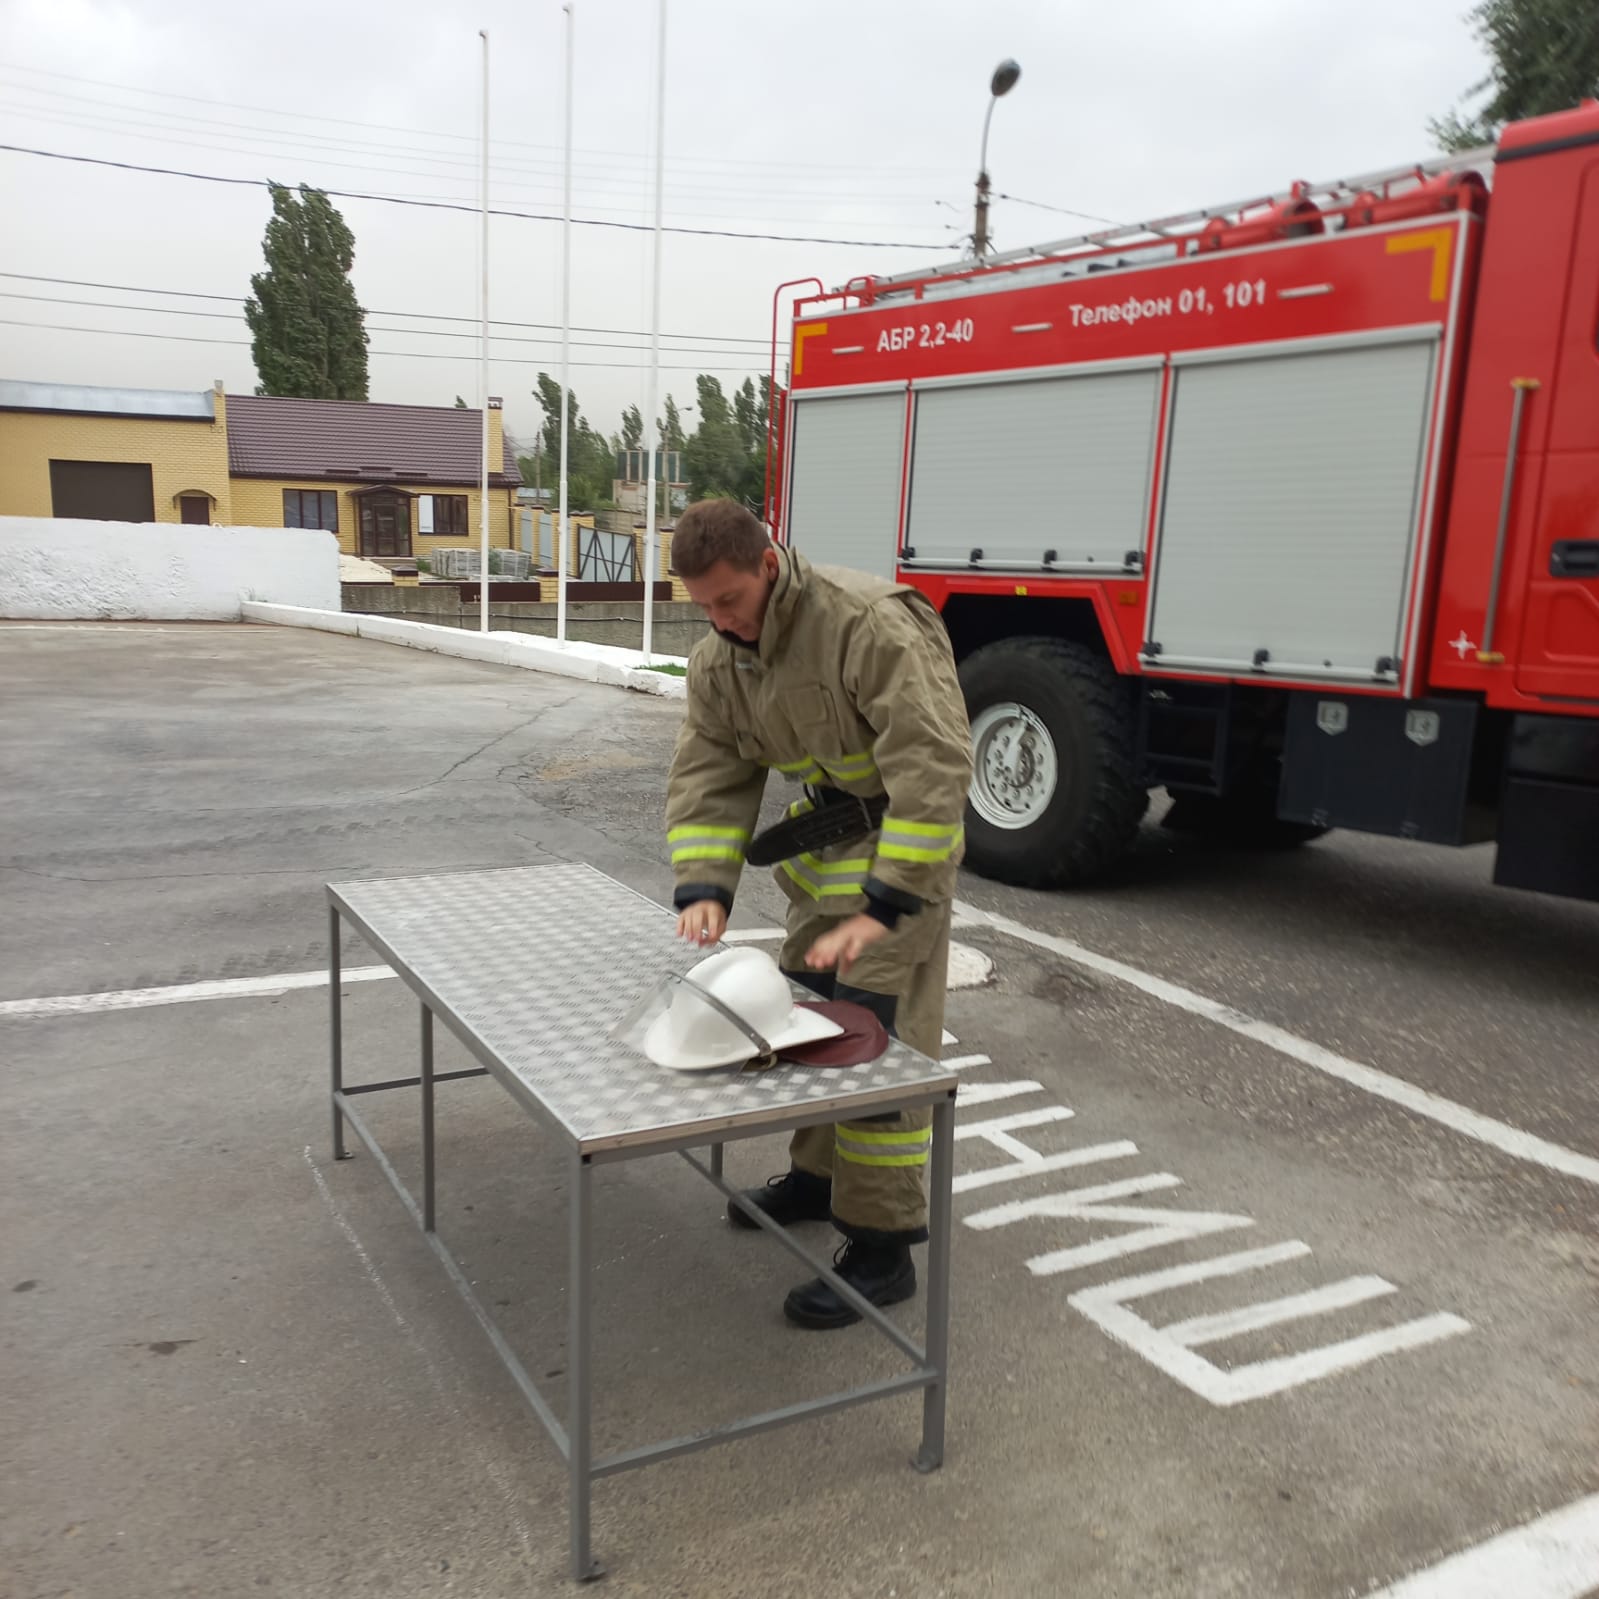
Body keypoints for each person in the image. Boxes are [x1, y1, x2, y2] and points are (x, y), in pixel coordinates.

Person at [664, 497, 972, 1330]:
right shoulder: (720, 659)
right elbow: (708, 772)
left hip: (902, 849)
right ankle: (819, 1176)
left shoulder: (867, 626)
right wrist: (703, 883)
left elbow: (933, 763)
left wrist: (888, 900)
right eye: (702, 607)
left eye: (729, 600)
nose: (719, 622)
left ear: (767, 564)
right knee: (807, 1019)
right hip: (829, 852)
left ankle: (881, 1248)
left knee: (872, 1039)